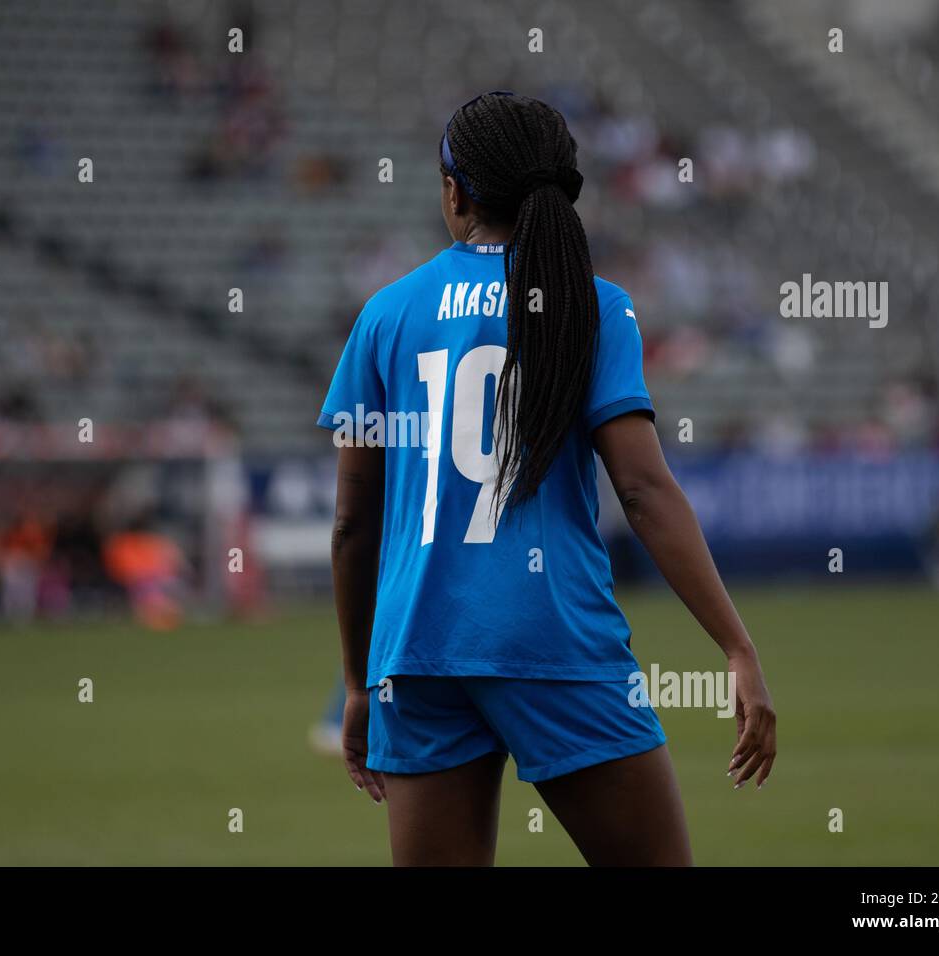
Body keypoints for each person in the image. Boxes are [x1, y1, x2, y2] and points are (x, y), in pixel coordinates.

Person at [319, 92, 776, 866]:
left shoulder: (386, 315)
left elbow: (351, 525)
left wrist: (360, 683)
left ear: (456, 191)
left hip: (418, 652)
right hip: (551, 637)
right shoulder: (592, 306)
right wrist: (736, 646)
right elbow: (642, 489)